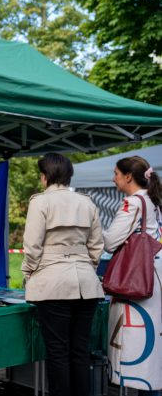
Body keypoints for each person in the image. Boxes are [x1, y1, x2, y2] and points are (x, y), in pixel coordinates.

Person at [22, 153, 104, 396]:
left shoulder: (40, 202)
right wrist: (86, 267)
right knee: (80, 352)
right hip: (87, 284)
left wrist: (30, 274)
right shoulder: (87, 202)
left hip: (53, 283)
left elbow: (32, 247)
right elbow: (97, 246)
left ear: (45, 177)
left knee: (58, 352)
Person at [102, 156, 162, 395]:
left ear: (128, 176)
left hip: (138, 280)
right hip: (155, 275)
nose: (113, 178)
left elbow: (110, 241)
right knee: (154, 356)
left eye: (116, 173)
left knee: (136, 349)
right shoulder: (155, 201)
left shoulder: (133, 202)